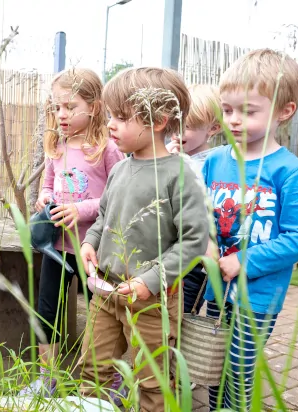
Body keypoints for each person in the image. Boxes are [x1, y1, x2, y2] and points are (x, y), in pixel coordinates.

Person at [78, 67, 209, 410]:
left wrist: (149, 281)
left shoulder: (180, 175)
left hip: (153, 302)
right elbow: (105, 216)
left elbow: (194, 240)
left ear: (160, 120)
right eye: (110, 116)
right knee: (92, 369)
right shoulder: (120, 168)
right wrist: (90, 242)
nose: (110, 124)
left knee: (152, 381)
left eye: (121, 117)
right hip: (105, 292)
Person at [202, 49, 298, 411]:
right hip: (215, 289)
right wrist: (207, 244)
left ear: (285, 111)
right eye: (227, 110)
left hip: (258, 296)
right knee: (212, 366)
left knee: (238, 371)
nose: (234, 120)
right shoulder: (215, 160)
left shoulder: (288, 170)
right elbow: (203, 213)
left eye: (248, 111)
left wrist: (245, 261)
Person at [20, 67, 124, 397]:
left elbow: (116, 195)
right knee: (46, 310)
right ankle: (47, 377)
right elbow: (48, 183)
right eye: (57, 107)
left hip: (95, 249)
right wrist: (44, 197)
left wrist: (80, 209)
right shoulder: (58, 146)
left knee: (102, 315)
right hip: (58, 246)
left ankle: (106, 377)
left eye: (70, 106)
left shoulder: (106, 148)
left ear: (94, 107)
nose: (61, 114)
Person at [166, 83, 223, 316]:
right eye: (174, 125)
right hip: (166, 252)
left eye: (187, 127)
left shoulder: (213, 164)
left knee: (179, 317)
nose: (177, 134)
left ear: (213, 128)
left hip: (193, 261)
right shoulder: (168, 154)